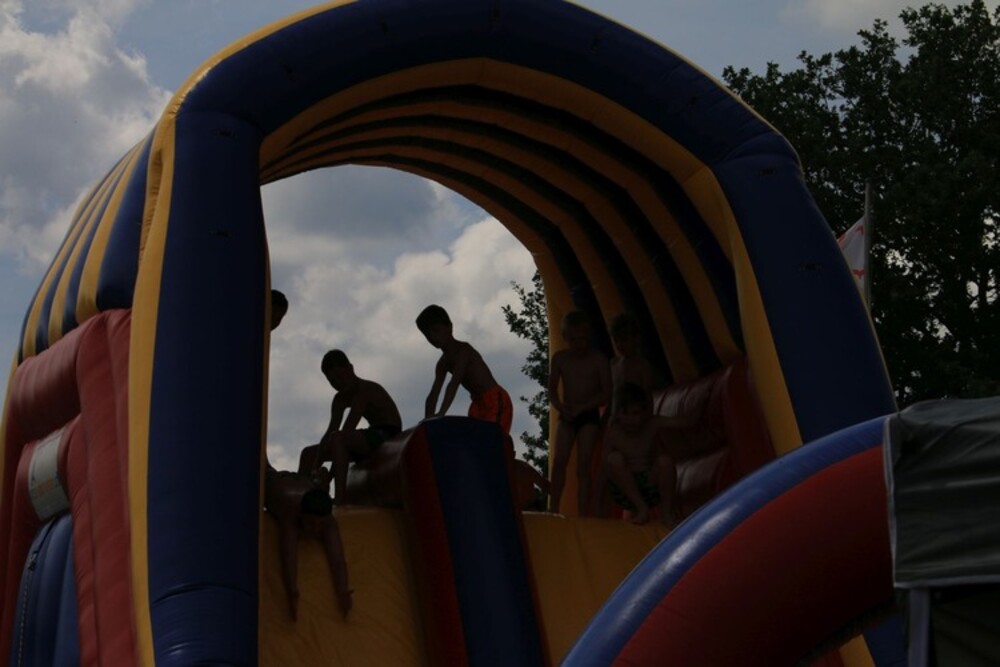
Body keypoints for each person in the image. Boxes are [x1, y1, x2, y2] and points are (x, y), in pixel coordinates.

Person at [263, 289, 351, 620]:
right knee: (267, 472)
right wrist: (293, 594)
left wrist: (343, 591)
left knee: (305, 472)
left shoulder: (326, 520)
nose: (313, 534)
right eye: (312, 527)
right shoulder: (290, 514)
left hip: (295, 483)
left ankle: (314, 478)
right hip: (276, 485)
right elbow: (288, 556)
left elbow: (338, 559)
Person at [297, 350, 403, 504]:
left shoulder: (365, 390)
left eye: (340, 377)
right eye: (332, 381)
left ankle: (340, 499)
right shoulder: (339, 399)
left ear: (350, 368)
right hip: (368, 437)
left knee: (338, 438)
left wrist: (329, 477)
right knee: (308, 453)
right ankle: (302, 499)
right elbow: (330, 432)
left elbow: (345, 432)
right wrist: (315, 469)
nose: (338, 383)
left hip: (388, 435)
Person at [602, 382, 700, 526]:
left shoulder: (652, 424)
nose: (632, 420)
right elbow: (604, 469)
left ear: (644, 413)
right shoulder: (614, 433)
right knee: (613, 459)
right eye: (626, 414)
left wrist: (698, 407)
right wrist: (598, 508)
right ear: (617, 414)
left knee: (665, 461)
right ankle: (641, 507)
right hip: (625, 493)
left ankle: (667, 514)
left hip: (649, 486)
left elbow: (682, 422)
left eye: (636, 414)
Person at [547, 310, 611, 516]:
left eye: (582, 339)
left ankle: (583, 514)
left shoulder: (598, 359)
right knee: (559, 462)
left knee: (584, 466)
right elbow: (551, 389)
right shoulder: (560, 359)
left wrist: (583, 407)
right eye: (573, 340)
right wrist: (559, 406)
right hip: (567, 414)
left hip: (588, 415)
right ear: (565, 338)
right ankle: (553, 508)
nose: (578, 344)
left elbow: (607, 392)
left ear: (589, 336)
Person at [416, 304, 514, 435]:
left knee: (493, 438)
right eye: (428, 335)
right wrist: (428, 421)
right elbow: (434, 393)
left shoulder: (464, 351)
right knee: (475, 441)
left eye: (436, 331)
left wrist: (441, 413)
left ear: (449, 327)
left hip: (494, 399)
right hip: (477, 404)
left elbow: (454, 383)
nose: (433, 337)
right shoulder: (442, 364)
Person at [608, 312, 654, 413]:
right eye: (616, 341)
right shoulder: (613, 364)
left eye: (624, 340)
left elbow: (648, 399)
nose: (619, 345)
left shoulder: (642, 366)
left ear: (636, 338)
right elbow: (613, 397)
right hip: (618, 416)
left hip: (636, 416)